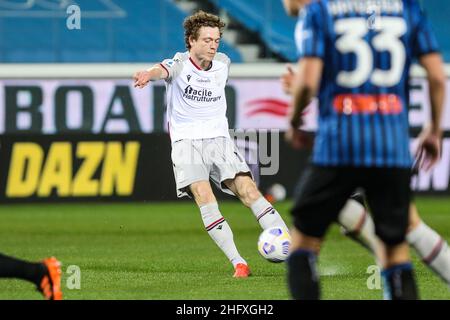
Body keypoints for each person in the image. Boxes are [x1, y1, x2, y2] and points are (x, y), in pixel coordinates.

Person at [281, 0, 450, 289]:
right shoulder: (406, 8)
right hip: (391, 148)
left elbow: (310, 82)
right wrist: (433, 129)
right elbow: (436, 75)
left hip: (338, 147)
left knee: (303, 243)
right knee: (395, 249)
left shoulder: (319, 13)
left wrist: (294, 118)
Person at [133, 11, 289, 278]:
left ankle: (288, 245)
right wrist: (148, 74)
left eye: (216, 40)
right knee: (204, 196)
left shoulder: (223, 64)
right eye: (206, 40)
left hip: (219, 140)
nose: (213, 45)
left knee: (248, 190)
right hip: (186, 142)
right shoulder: (180, 64)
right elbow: (162, 69)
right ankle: (239, 263)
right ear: (191, 41)